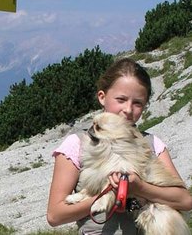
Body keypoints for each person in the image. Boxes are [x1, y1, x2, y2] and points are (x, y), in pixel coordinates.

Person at [46, 57, 192, 234]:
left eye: (137, 103)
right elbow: (55, 215)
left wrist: (139, 189)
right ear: (102, 97)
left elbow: (185, 201)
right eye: (121, 99)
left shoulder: (153, 144)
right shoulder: (76, 144)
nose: (128, 109)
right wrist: (104, 199)